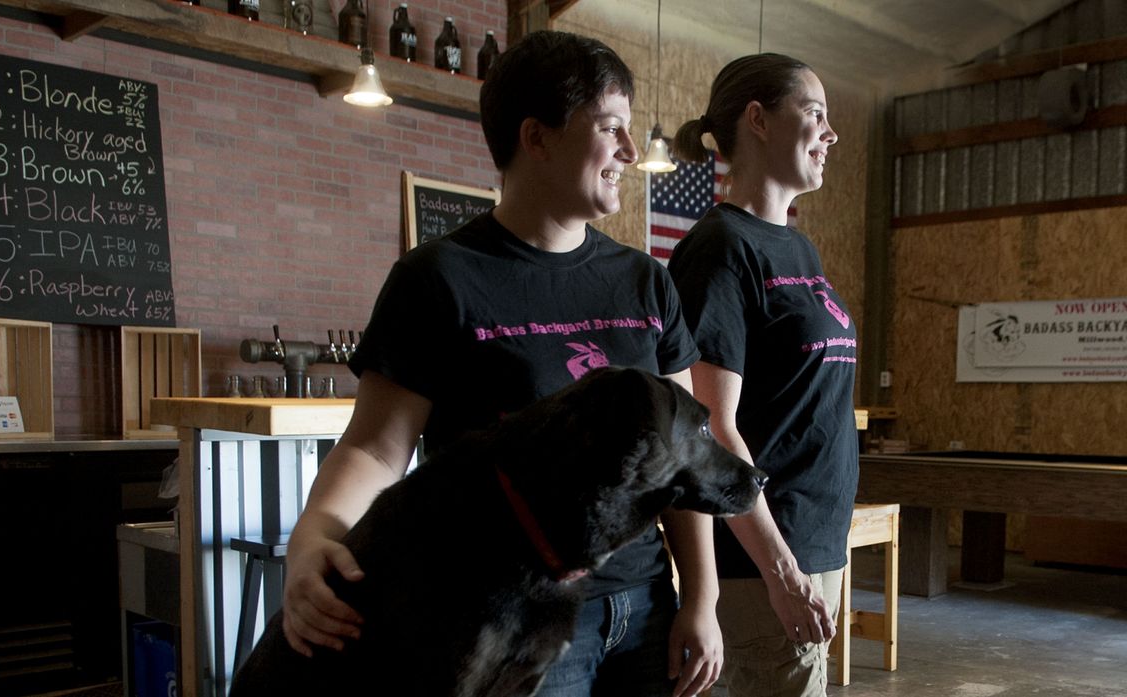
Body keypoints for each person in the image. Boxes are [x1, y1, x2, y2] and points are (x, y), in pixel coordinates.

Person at [279, 30, 721, 697]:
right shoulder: (439, 278)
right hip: (510, 618)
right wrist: (313, 535)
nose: (631, 151)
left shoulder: (645, 282)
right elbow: (374, 448)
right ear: (536, 137)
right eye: (610, 128)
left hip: (644, 608)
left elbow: (686, 456)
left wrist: (702, 599)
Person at [666, 53, 857, 696]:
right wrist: (780, 570)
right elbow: (709, 427)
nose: (830, 134)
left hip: (816, 537)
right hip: (766, 550)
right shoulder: (720, 249)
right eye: (814, 114)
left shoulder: (797, 246)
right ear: (758, 120)